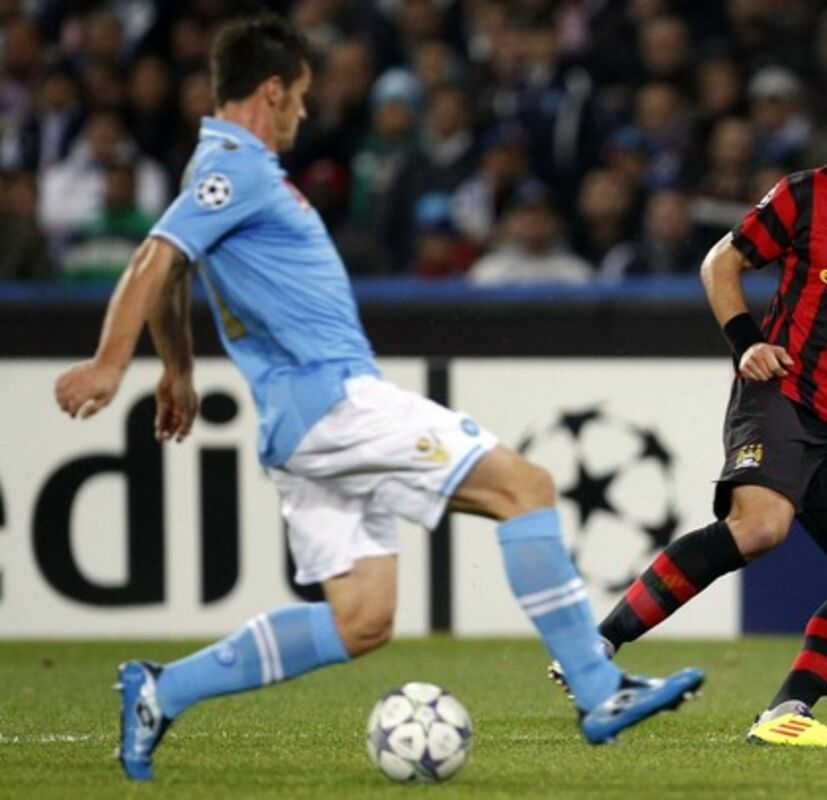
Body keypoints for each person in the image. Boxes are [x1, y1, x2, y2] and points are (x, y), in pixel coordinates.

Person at [52, 15, 702, 782]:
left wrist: (179, 369)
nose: (303, 113)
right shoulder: (235, 166)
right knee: (524, 487)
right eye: (299, 97)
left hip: (299, 424)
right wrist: (111, 363)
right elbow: (155, 257)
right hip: (334, 402)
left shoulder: (219, 170)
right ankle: (598, 689)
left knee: (362, 619)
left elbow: (176, 268)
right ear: (272, 91)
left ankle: (162, 691)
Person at [552, 62, 827, 747]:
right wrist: (746, 341)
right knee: (760, 527)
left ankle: (788, 712)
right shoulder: (810, 195)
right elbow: (720, 263)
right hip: (781, 389)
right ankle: (595, 648)